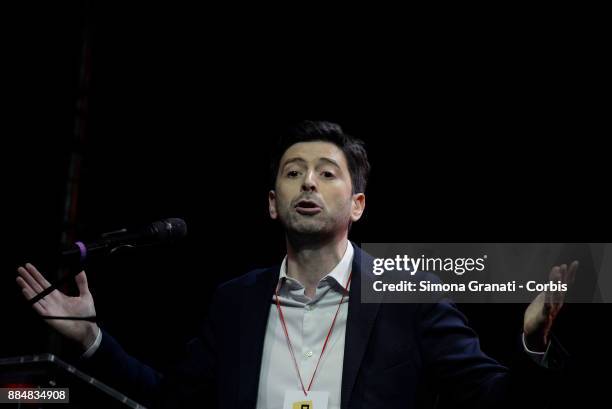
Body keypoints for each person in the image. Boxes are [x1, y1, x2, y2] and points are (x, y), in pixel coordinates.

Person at [16, 120, 578, 409]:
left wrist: (532, 346)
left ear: (357, 205)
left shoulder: (407, 295)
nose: (308, 181)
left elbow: (493, 401)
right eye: (292, 172)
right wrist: (91, 339)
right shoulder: (234, 302)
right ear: (271, 202)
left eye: (327, 172)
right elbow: (171, 402)